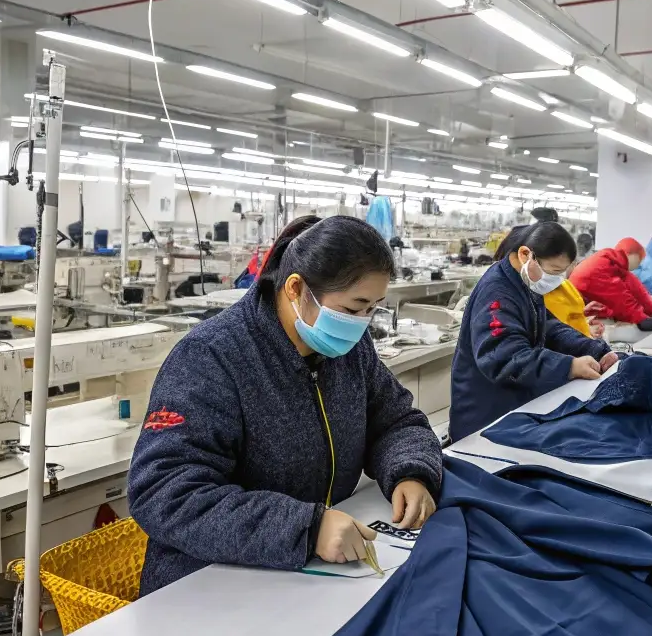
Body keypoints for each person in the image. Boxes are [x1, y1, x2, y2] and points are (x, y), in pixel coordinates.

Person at [128, 215, 443, 594]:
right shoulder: (211, 358)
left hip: (309, 576)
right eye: (353, 307)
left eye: (373, 308)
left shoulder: (349, 350)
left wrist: (410, 471)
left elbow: (395, 420)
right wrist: (306, 529)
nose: (361, 323)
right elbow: (164, 492)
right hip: (209, 586)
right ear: (296, 288)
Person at [449, 222, 615, 442]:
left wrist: (594, 349)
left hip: (511, 407)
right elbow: (503, 357)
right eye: (554, 272)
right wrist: (569, 367)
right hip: (484, 419)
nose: (558, 280)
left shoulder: (525, 283)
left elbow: (549, 326)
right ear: (526, 254)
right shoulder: (498, 293)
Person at [570, 237, 652, 329]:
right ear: (631, 254)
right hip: (578, 304)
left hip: (585, 298)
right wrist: (640, 318)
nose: (639, 264)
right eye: (639, 258)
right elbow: (618, 297)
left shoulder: (614, 262)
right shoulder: (603, 265)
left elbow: (635, 287)